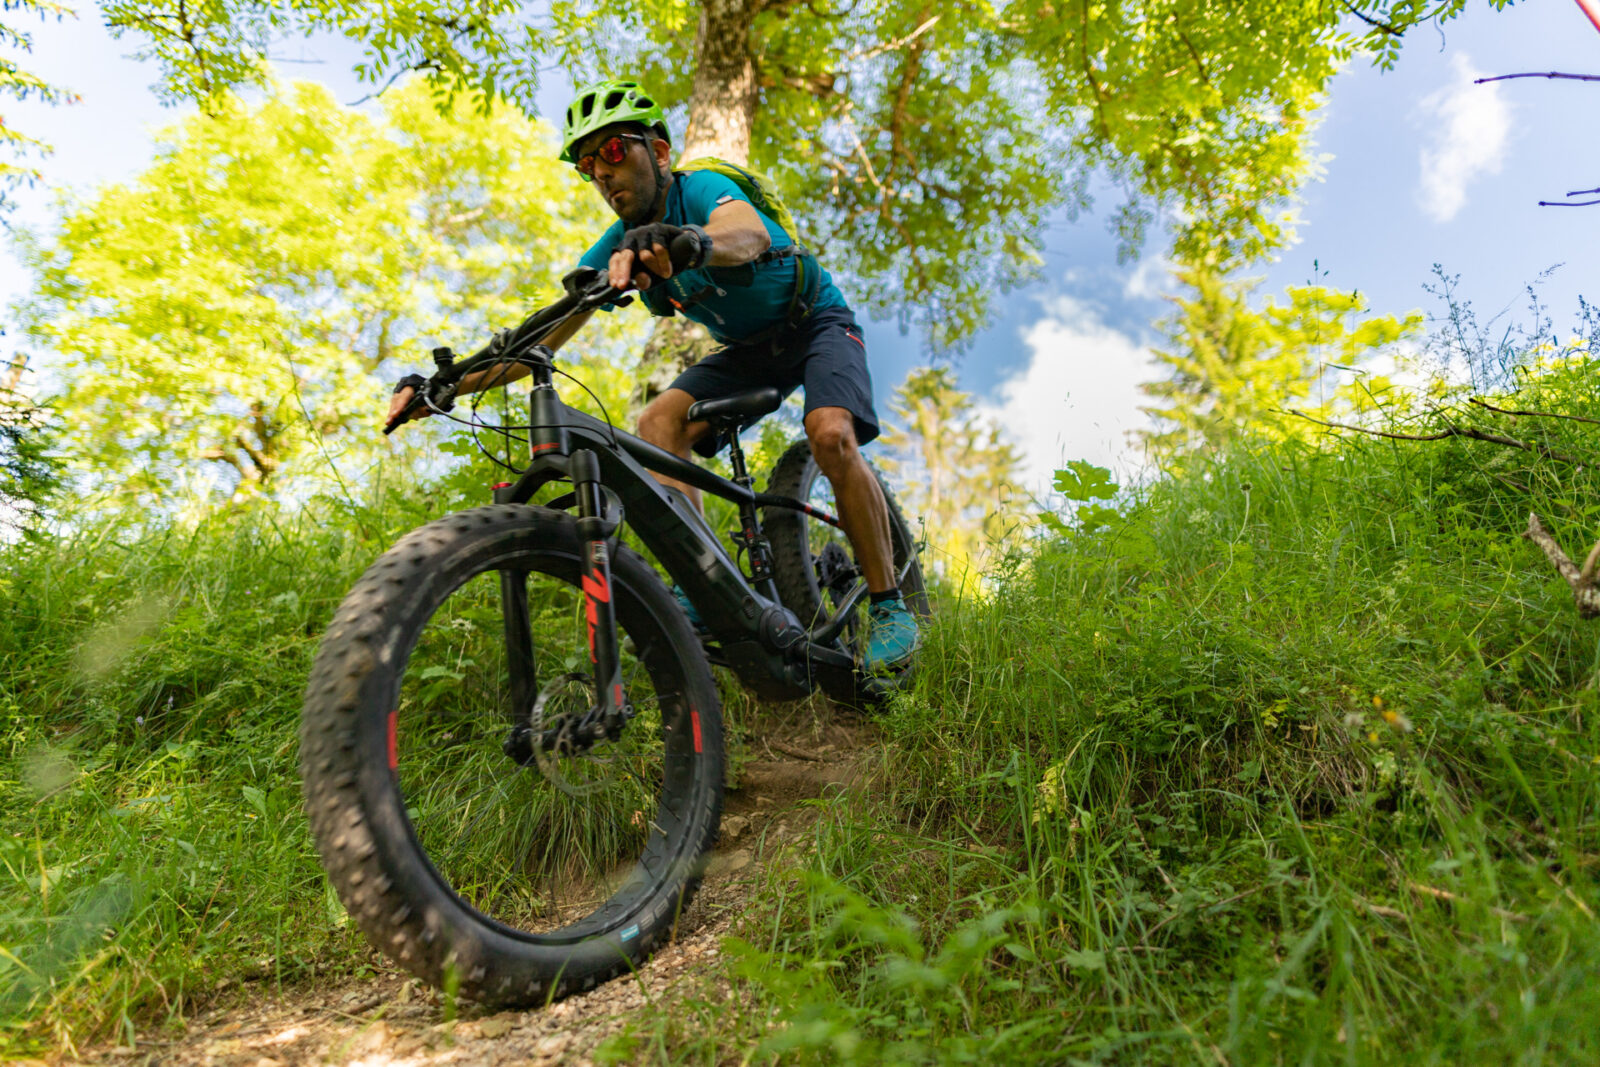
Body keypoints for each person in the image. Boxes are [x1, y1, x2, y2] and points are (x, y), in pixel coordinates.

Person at [389, 78, 918, 673]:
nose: (602, 173)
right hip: (747, 348)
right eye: (589, 165)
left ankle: (891, 604)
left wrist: (687, 241)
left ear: (659, 153)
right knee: (656, 422)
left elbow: (749, 235)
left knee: (828, 432)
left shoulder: (702, 191)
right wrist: (443, 387)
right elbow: (541, 336)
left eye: (615, 151)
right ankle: (706, 582)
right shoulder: (615, 246)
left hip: (815, 319)